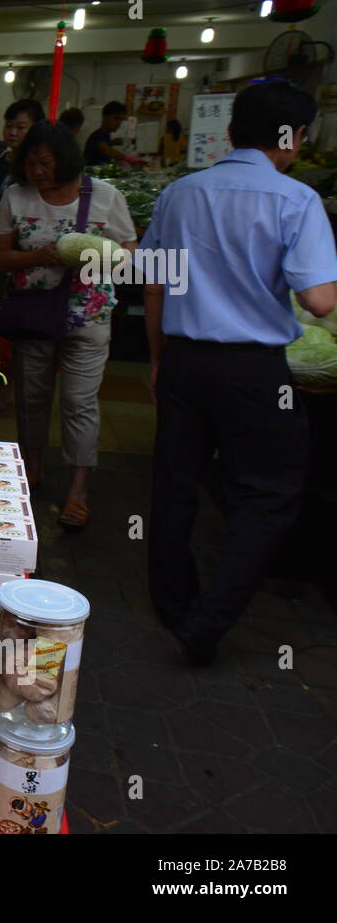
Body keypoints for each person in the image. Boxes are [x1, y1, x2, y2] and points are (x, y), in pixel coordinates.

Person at [142, 80, 337, 666]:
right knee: (267, 495)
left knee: (176, 486)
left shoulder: (180, 194)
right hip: (256, 373)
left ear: (228, 133)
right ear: (296, 138)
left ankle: (175, 604)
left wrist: (155, 360)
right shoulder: (295, 200)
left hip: (183, 358)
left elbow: (154, 282)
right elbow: (321, 301)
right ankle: (208, 621)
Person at [0, 121, 137, 529]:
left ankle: (78, 489)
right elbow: (0, 258)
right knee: (32, 400)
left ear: (67, 159)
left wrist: (105, 260)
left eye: (47, 162)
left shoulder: (105, 196)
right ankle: (32, 469)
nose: (38, 171)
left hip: (88, 315)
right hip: (33, 315)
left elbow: (128, 249)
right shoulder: (14, 197)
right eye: (31, 162)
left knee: (79, 404)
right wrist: (44, 255)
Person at [0, 99, 45, 316]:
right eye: (9, 125)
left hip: (23, 251)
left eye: (20, 127)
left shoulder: (38, 166)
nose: (12, 132)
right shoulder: (3, 158)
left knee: (18, 311)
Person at [84, 101, 144, 167]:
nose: (119, 123)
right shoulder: (96, 136)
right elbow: (108, 151)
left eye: (121, 119)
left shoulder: (107, 135)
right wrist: (128, 159)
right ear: (105, 117)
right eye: (116, 118)